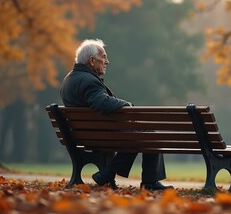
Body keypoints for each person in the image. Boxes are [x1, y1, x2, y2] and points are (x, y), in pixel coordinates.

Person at [60, 39, 173, 191]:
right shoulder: (89, 81)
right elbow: (102, 103)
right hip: (101, 135)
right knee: (149, 135)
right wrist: (127, 105)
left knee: (136, 135)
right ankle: (148, 182)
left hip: (85, 135)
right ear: (92, 61)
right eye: (104, 57)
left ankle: (108, 174)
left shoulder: (70, 79)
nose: (107, 61)